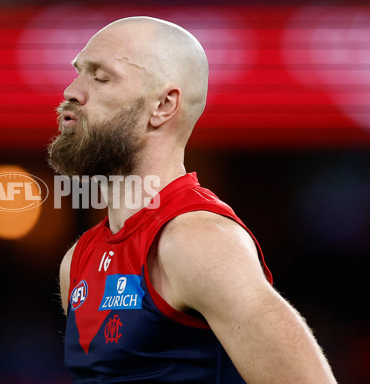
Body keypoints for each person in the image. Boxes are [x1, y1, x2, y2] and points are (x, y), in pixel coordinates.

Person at [47, 16, 337, 383]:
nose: (72, 90)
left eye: (100, 77)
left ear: (164, 106)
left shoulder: (199, 241)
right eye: (78, 73)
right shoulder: (77, 261)